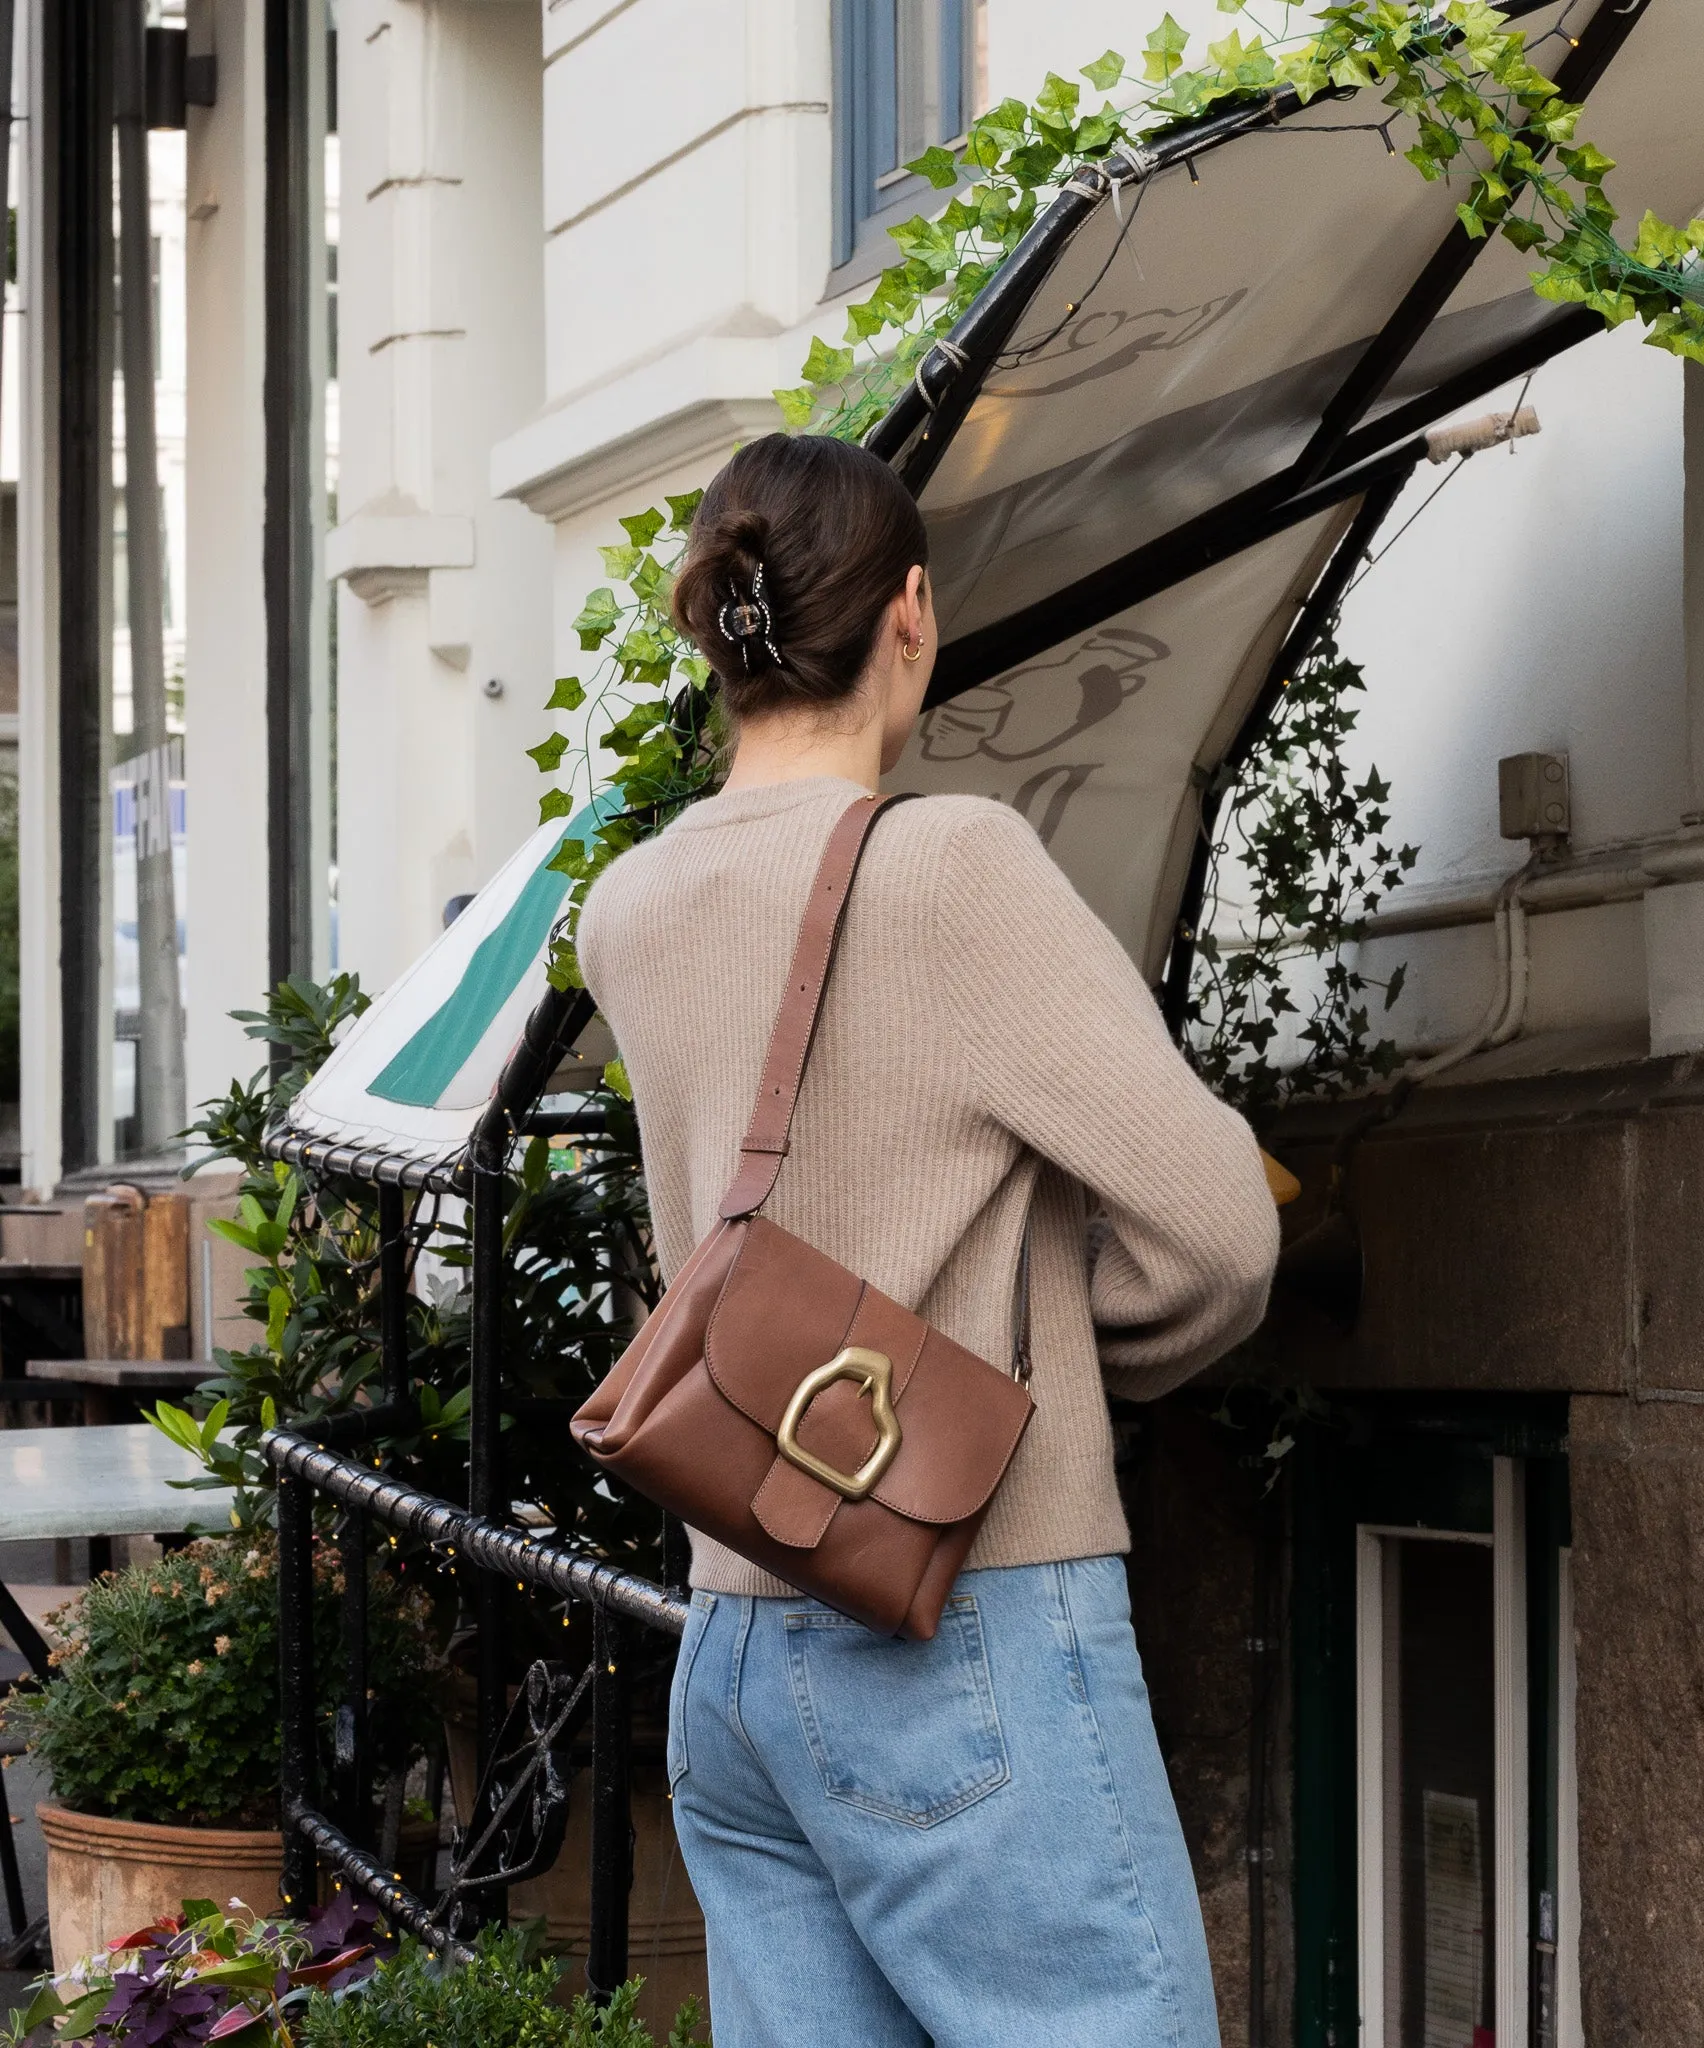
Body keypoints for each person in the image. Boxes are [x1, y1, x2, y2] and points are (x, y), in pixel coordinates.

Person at [577, 432, 1280, 2048]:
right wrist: (1043, 1377)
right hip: (969, 1624)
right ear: (911, 615)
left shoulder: (628, 907)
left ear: (721, 634)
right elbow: (1222, 1234)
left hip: (736, 1646)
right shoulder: (954, 869)